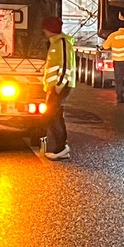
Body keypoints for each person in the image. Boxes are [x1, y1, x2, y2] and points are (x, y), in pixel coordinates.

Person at [40, 14, 76, 160]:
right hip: (55, 86)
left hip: (60, 86)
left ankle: (61, 148)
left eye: (45, 29)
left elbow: (65, 64)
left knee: (51, 116)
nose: (43, 31)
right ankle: (61, 148)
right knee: (56, 116)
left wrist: (59, 85)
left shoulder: (61, 42)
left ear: (49, 29)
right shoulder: (56, 42)